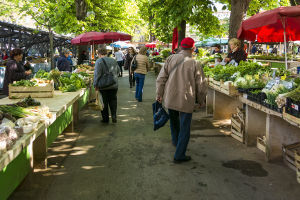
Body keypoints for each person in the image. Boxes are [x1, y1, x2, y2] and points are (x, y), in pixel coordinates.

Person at [156, 37, 207, 163]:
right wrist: (201, 100)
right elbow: (201, 84)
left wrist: (159, 94)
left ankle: (175, 142)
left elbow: (161, 78)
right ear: (193, 48)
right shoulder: (195, 63)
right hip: (186, 99)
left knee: (174, 122)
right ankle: (179, 155)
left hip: (170, 97)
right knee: (185, 127)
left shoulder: (170, 58)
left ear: (180, 47)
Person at [94, 47, 120, 123]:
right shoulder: (113, 60)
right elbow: (118, 70)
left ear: (99, 54)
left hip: (103, 85)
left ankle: (105, 119)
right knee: (113, 100)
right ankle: (114, 116)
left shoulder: (99, 61)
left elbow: (97, 74)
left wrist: (95, 84)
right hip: (114, 84)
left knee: (104, 102)